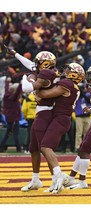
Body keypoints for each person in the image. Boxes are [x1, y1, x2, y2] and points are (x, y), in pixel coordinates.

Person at [6, 47, 61, 192]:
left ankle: (56, 178)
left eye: (39, 62)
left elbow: (26, 88)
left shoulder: (47, 74)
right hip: (42, 113)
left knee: (45, 148)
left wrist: (26, 77)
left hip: (46, 113)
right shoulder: (49, 71)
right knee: (34, 148)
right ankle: (36, 179)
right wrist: (16, 54)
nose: (35, 65)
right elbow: (30, 65)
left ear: (45, 64)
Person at [35, 62, 85, 194]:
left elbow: (45, 95)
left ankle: (59, 176)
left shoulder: (67, 84)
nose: (65, 71)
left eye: (69, 70)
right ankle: (55, 181)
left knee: (45, 147)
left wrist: (36, 88)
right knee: (45, 147)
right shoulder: (72, 85)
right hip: (61, 118)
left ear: (74, 74)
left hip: (61, 119)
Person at [0, 77, 22, 152]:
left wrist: (7, 82)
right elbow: (17, 92)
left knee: (8, 133)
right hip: (14, 118)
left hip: (9, 118)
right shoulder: (13, 98)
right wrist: (21, 85)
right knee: (15, 134)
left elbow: (6, 88)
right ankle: (18, 149)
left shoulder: (6, 96)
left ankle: (1, 147)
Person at [74, 83, 91, 152]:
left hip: (87, 116)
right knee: (79, 132)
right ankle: (78, 147)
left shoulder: (87, 95)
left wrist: (83, 93)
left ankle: (86, 146)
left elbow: (89, 100)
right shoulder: (77, 96)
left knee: (87, 133)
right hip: (79, 116)